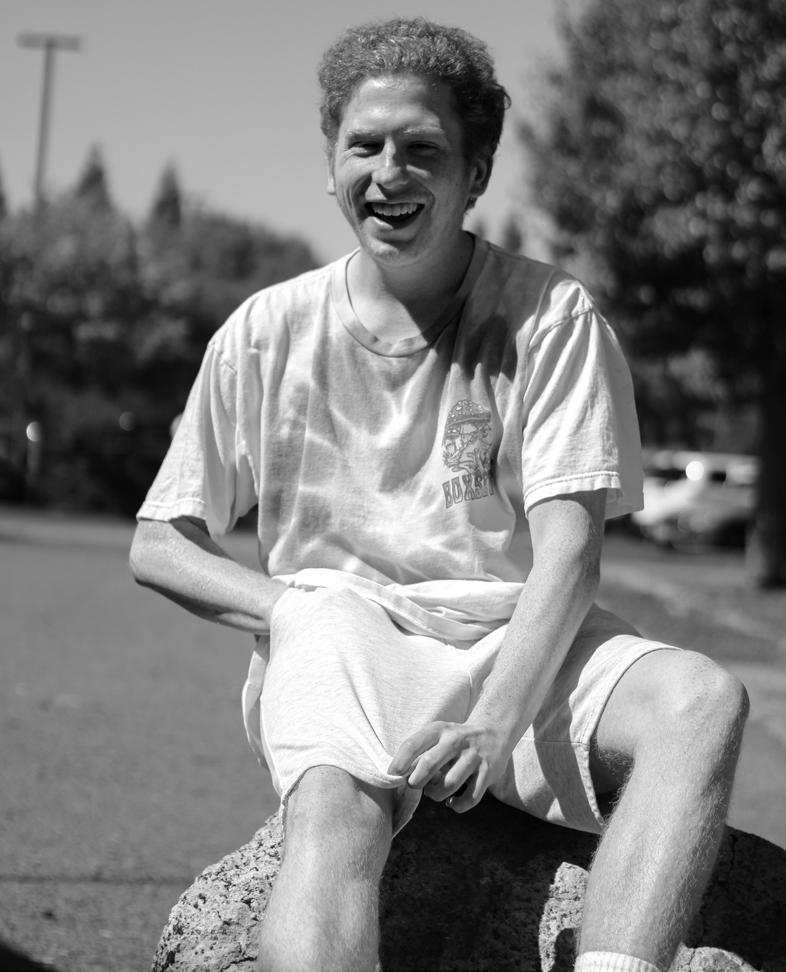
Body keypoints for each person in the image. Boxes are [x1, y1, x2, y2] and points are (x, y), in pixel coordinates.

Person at [130, 18, 749, 972]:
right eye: (365, 145)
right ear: (331, 161)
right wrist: (290, 610)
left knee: (701, 701)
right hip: (345, 629)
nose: (390, 173)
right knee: (336, 809)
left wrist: (494, 721)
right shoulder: (264, 332)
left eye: (422, 149)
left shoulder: (551, 315)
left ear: (476, 172)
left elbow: (569, 553)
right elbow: (159, 541)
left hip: (518, 639)